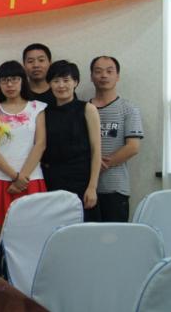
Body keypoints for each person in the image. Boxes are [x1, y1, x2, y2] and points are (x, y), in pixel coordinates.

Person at [0, 61, 47, 230]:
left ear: (22, 81)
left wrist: (22, 178)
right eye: (4, 80)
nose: (9, 85)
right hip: (0, 177)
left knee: (32, 229)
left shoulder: (37, 107)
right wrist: (15, 177)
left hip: (31, 177)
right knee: (2, 231)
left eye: (14, 79)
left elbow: (40, 144)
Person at [41, 60, 102, 221]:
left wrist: (92, 187)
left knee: (84, 228)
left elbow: (96, 150)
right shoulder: (44, 112)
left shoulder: (87, 109)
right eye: (56, 81)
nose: (61, 85)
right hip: (52, 179)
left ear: (75, 82)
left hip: (81, 180)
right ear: (49, 84)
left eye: (66, 80)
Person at [89, 56, 144, 222]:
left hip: (115, 188)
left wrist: (98, 166)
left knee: (114, 235)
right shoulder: (83, 109)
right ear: (91, 76)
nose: (104, 75)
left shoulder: (129, 109)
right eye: (98, 71)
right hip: (86, 188)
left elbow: (133, 147)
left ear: (117, 76)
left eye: (109, 71)